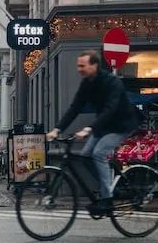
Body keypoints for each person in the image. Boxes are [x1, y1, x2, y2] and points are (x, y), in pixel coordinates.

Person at [47, 50, 140, 213]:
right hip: (103, 127)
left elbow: (110, 110)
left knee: (98, 153)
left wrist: (89, 128)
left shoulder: (112, 82)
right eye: (78, 66)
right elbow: (75, 108)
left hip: (121, 125)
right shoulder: (87, 84)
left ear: (94, 65)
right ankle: (109, 186)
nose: (79, 69)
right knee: (85, 155)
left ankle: (107, 198)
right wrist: (57, 129)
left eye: (82, 66)